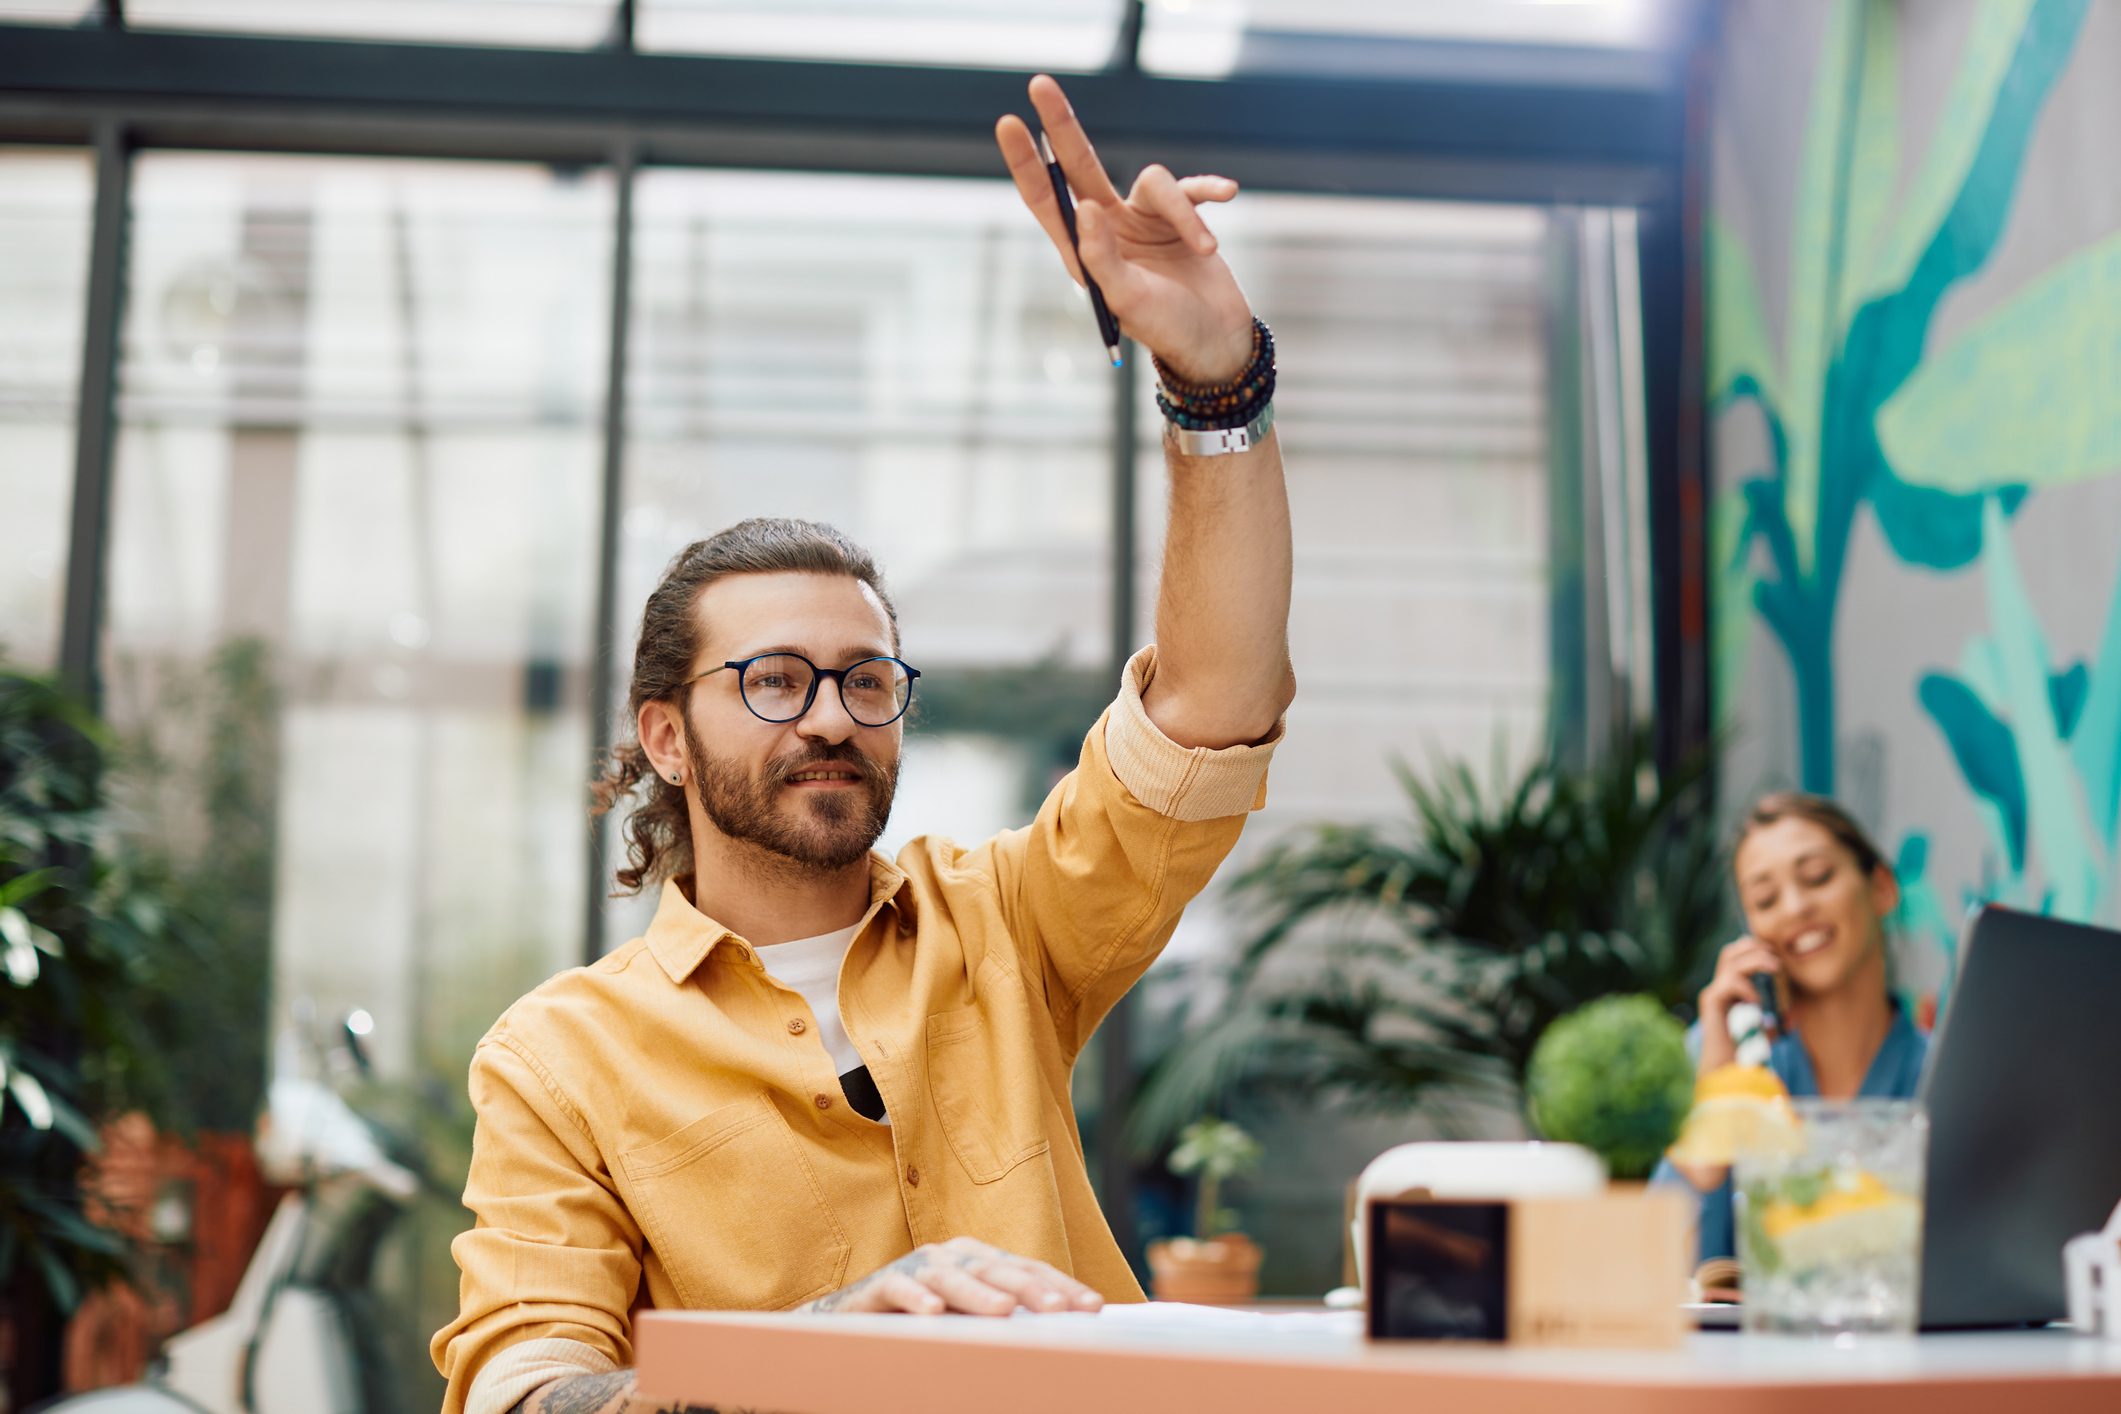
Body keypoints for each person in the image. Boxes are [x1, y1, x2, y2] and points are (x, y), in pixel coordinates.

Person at [430, 73, 1295, 1414]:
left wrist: (1210, 381)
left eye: (864, 678)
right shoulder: (560, 1057)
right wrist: (809, 1344)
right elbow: (520, 1385)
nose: (829, 712)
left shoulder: (1004, 923)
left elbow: (1210, 706)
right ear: (665, 733)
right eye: (773, 679)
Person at [1658, 791, 1929, 1293]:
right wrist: (1718, 1086)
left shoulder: (1943, 1071)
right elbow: (1653, 1282)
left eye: (1818, 877)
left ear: (1882, 888)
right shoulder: (1724, 1060)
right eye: (1765, 900)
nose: (1797, 908)